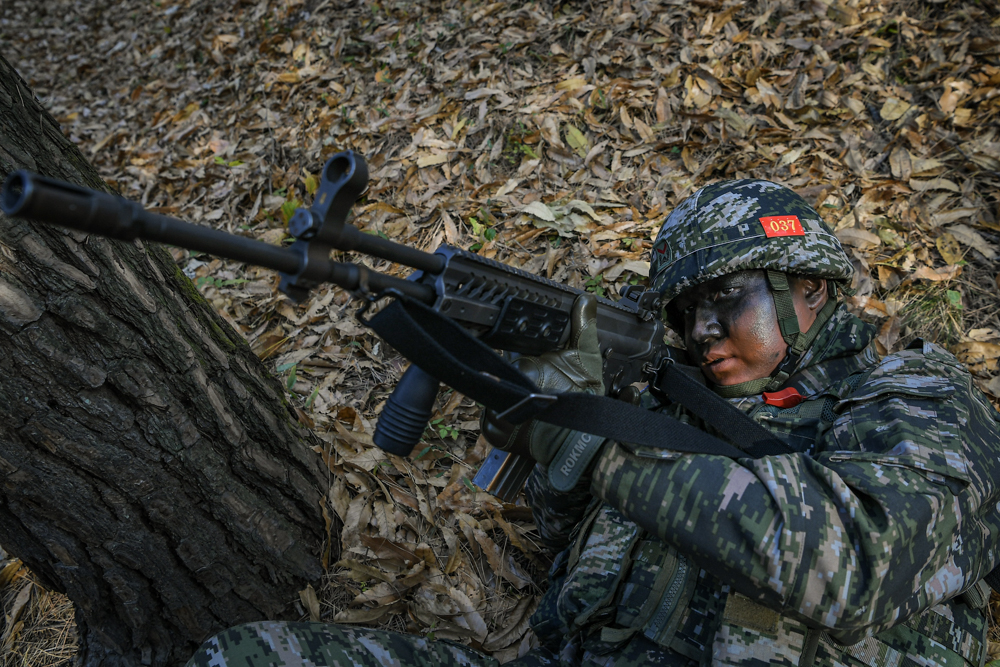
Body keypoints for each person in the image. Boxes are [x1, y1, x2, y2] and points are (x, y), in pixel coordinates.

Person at [187, 180, 1000, 667]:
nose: (704, 330)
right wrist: (548, 426)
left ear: (810, 286)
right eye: (687, 312)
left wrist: (595, 442)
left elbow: (857, 565)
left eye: (727, 299)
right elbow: (565, 549)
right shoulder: (672, 405)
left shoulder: (913, 398)